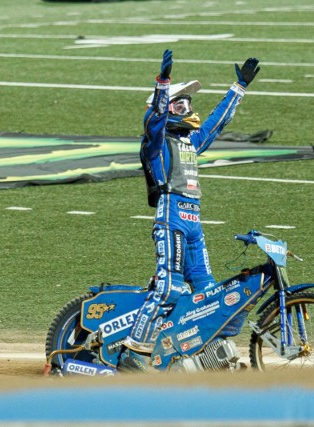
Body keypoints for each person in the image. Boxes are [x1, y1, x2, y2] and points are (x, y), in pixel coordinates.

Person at [118, 49, 260, 372]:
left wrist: (238, 88)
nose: (187, 109)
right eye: (179, 104)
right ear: (167, 109)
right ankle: (133, 352)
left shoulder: (190, 142)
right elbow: (152, 121)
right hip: (172, 220)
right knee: (169, 286)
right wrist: (163, 83)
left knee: (209, 296)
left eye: (188, 104)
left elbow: (216, 123)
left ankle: (209, 358)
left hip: (194, 223)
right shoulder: (156, 141)